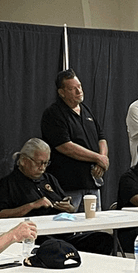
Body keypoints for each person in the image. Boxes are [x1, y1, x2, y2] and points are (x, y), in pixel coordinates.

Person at [0, 139, 118, 257]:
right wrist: (32, 206)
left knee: (104, 239)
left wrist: (69, 208)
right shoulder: (6, 185)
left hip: (63, 234)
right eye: (39, 163)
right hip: (36, 238)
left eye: (46, 163)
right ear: (24, 160)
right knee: (57, 246)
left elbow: (67, 204)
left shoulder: (49, 179)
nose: (42, 167)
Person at [41, 68, 108, 210]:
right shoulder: (53, 114)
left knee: (94, 221)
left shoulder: (86, 110)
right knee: (69, 221)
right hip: (69, 186)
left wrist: (102, 160)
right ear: (61, 92)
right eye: (72, 89)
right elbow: (64, 146)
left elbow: (101, 138)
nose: (79, 91)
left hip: (92, 183)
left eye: (79, 86)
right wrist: (97, 158)